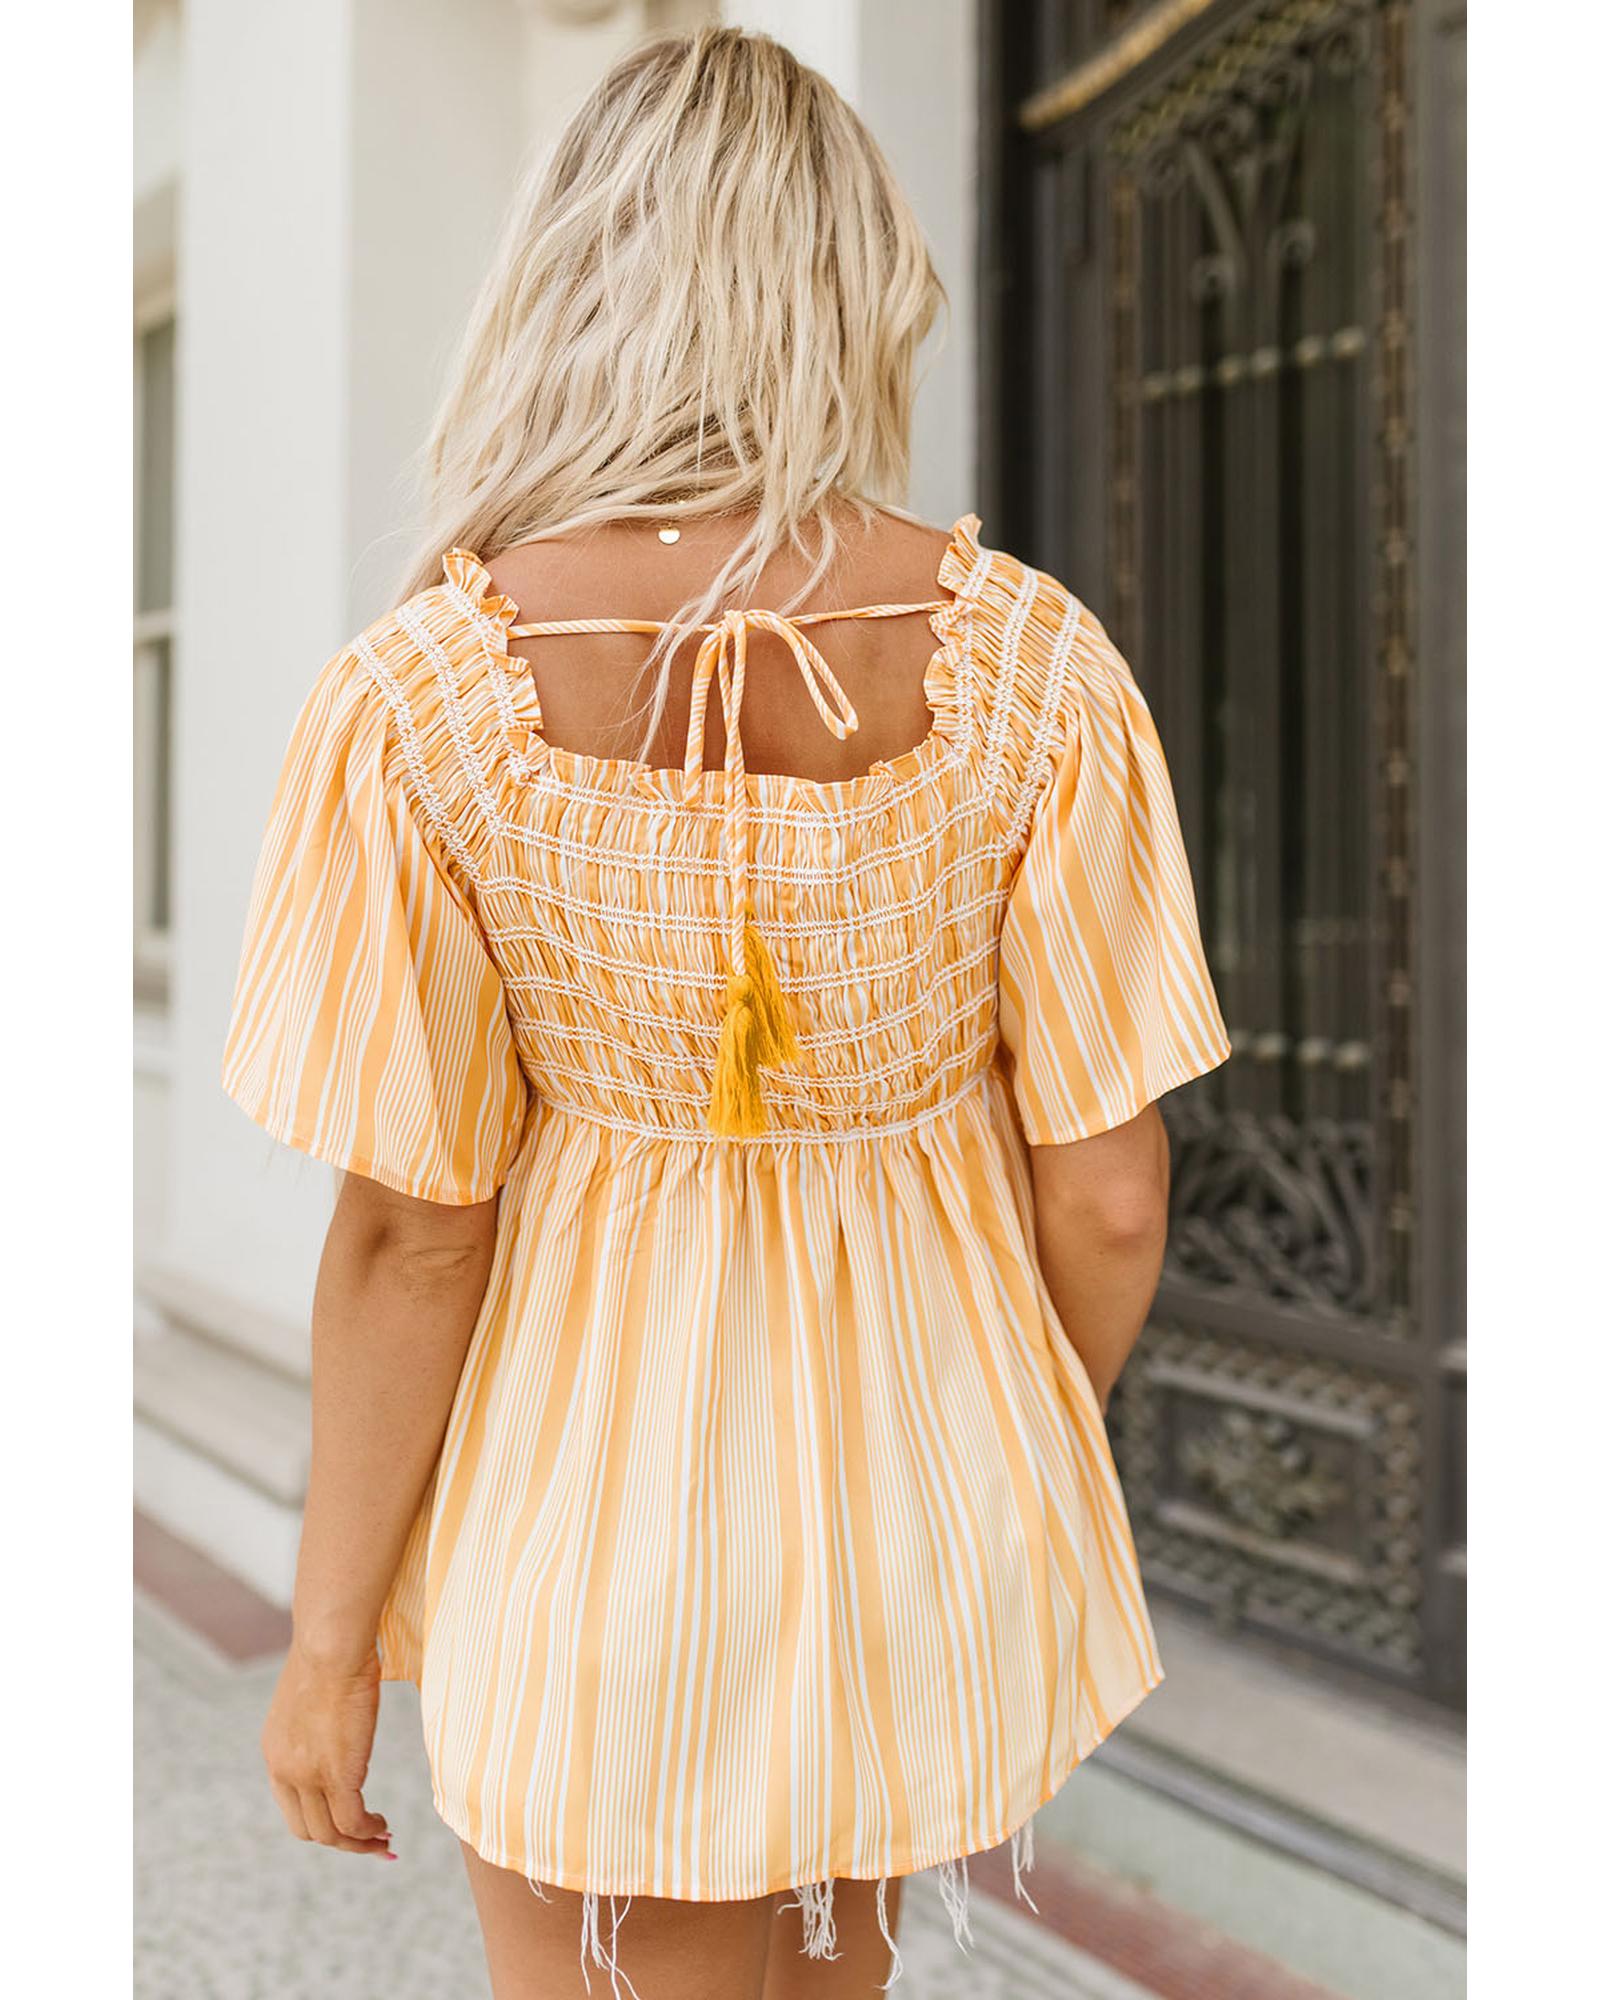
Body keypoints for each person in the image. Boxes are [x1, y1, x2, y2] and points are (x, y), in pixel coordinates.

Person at [221, 25, 1229, 2000]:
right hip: (912, 1515)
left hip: (589, 1528)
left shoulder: (421, 700)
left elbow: (416, 1231)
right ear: (851, 285)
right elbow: (1110, 1193)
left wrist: (326, 1645)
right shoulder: (1034, 663)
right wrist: (1000, 1438)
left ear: (568, 280)